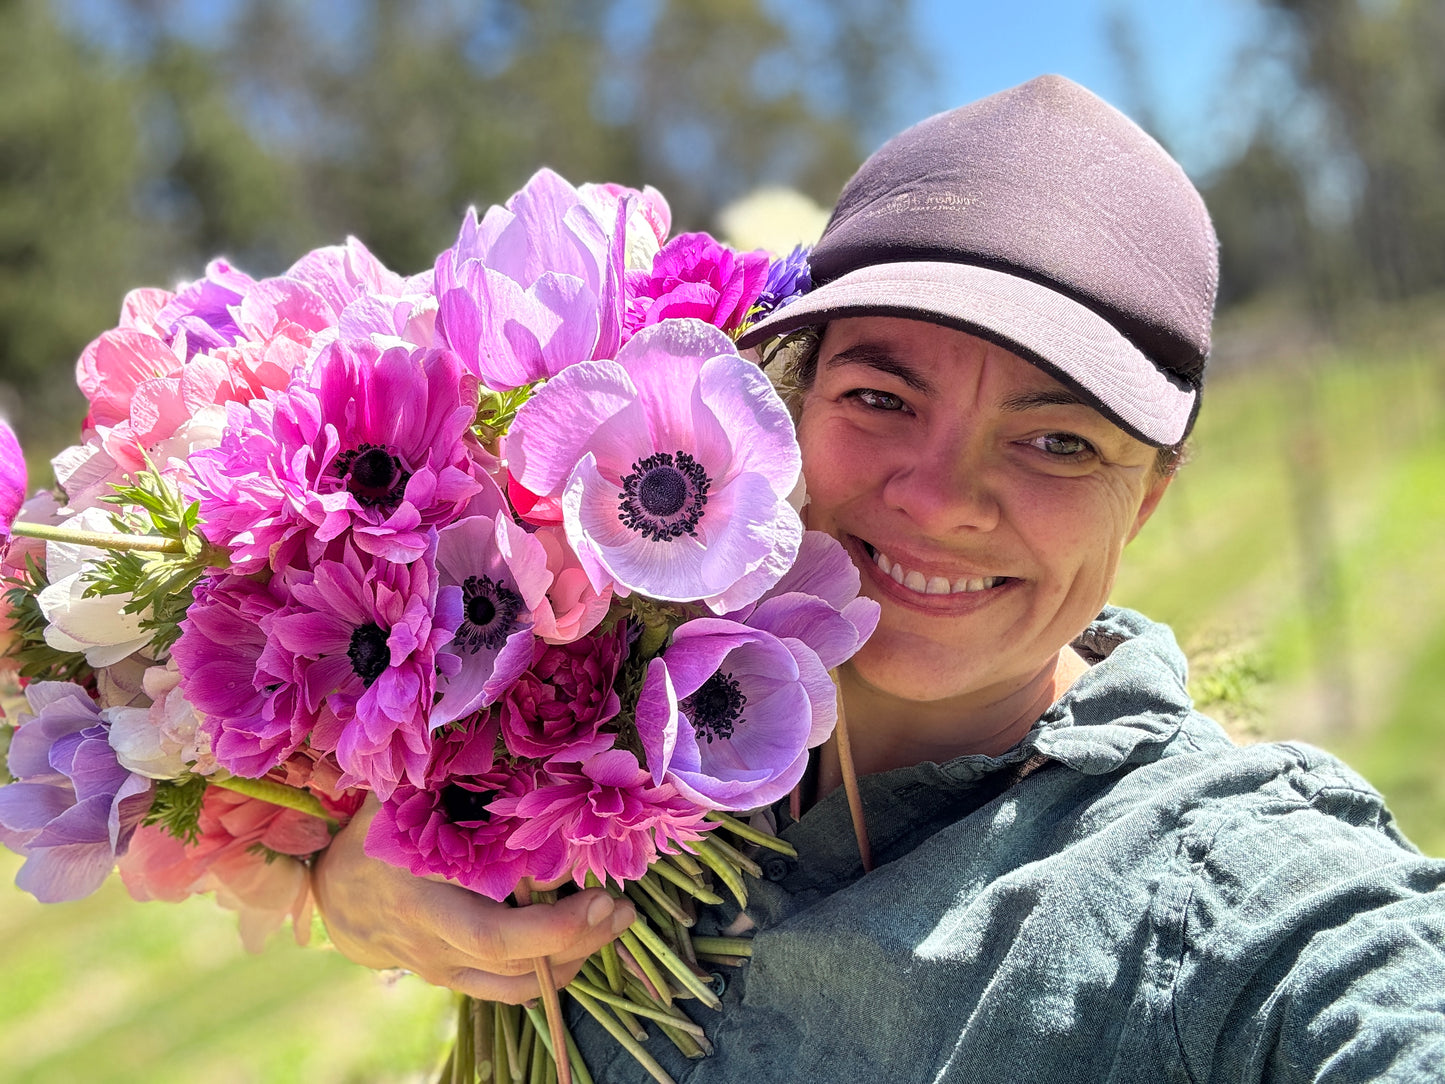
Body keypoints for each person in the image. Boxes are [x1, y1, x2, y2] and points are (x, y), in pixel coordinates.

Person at [314, 75, 1445, 1080]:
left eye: (1056, 441)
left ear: (1143, 498)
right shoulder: (608, 693)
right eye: (880, 398)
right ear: (785, 401)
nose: (938, 495)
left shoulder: (1219, 909)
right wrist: (343, 870)